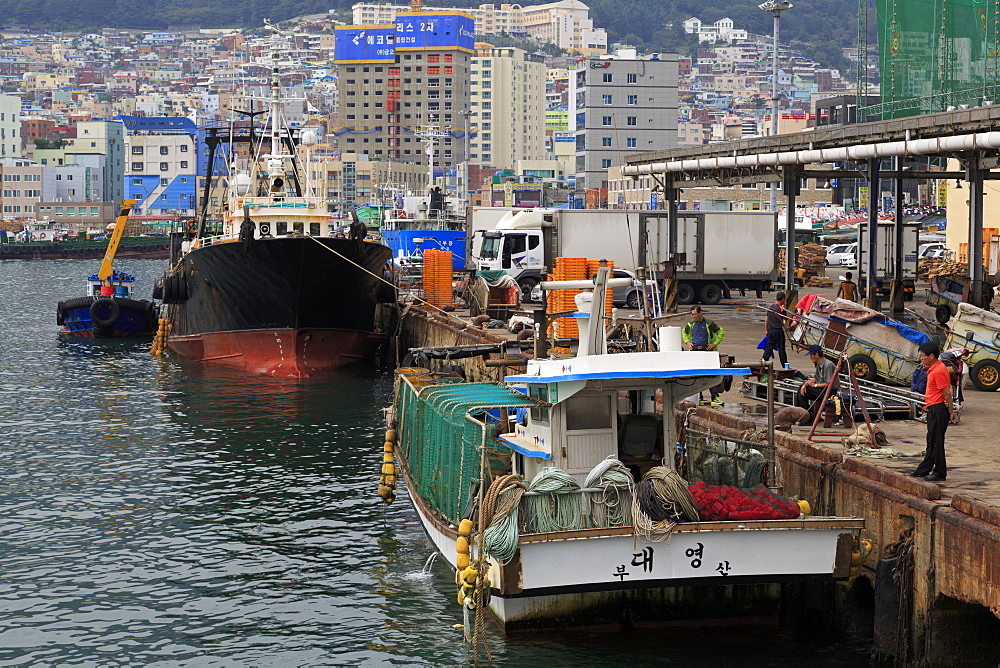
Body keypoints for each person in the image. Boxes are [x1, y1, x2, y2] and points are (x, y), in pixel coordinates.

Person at [908, 342, 957, 482]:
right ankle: (923, 469)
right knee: (932, 440)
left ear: (931, 356)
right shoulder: (933, 369)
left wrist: (951, 411)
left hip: (938, 408)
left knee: (937, 442)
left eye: (923, 356)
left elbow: (947, 393)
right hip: (933, 408)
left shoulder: (938, 370)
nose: (921, 358)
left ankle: (940, 472)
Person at [682, 306, 725, 404]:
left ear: (700, 313)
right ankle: (699, 397)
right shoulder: (691, 324)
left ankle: (715, 396)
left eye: (695, 314)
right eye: (692, 314)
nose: (693, 316)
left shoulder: (709, 324)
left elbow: (721, 332)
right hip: (695, 351)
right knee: (697, 375)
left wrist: (714, 344)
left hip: (707, 351)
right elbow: (684, 332)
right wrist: (687, 342)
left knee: (709, 375)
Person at [796, 345, 841, 424]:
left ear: (816, 354)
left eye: (811, 355)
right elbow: (816, 378)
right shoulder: (818, 364)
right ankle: (805, 415)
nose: (810, 357)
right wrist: (805, 384)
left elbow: (828, 383)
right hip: (821, 388)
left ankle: (808, 417)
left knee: (804, 391)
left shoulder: (828, 365)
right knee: (801, 390)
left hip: (830, 391)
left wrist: (814, 385)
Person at [762, 291, 788, 368]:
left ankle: (763, 363)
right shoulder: (780, 309)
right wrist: (784, 309)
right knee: (781, 349)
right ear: (783, 299)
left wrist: (767, 330)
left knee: (768, 348)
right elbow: (786, 319)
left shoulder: (770, 308)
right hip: (778, 331)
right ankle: (784, 365)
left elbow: (766, 320)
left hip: (771, 331)